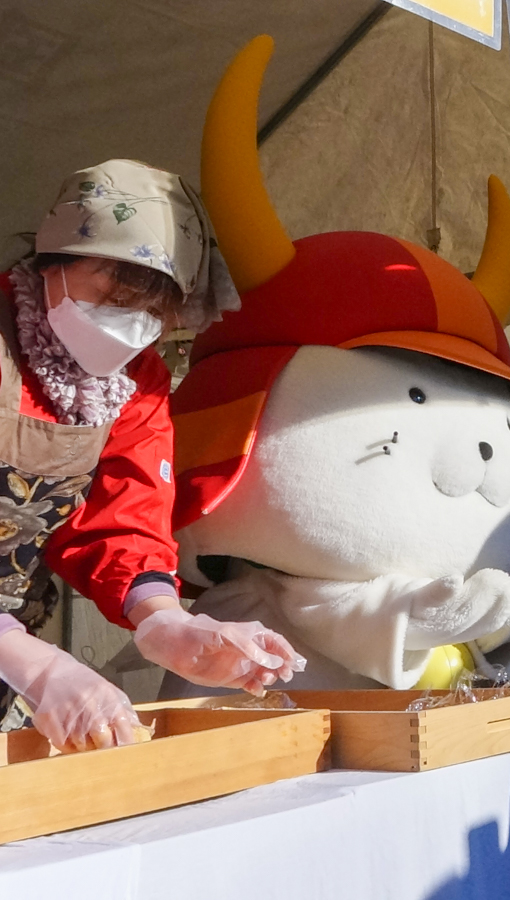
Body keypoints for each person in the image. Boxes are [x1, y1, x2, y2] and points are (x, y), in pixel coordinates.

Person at [0, 159, 303, 752]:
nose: (128, 328)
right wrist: (38, 667)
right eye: (113, 296)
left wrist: (166, 620)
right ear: (52, 260)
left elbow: (126, 517)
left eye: (152, 315)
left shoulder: (134, 383)